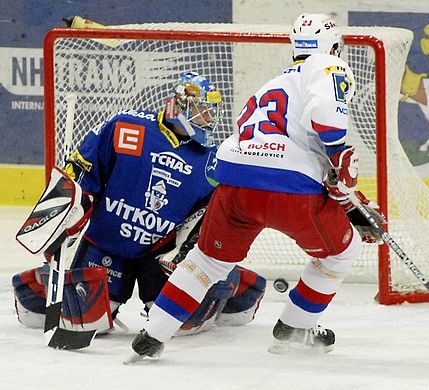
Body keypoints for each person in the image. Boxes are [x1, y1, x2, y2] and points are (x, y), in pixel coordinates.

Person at [126, 13, 386, 362]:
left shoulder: (272, 85)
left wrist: (354, 205)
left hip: (235, 181)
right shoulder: (327, 65)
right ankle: (294, 328)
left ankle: (153, 335)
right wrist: (341, 157)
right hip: (289, 189)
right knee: (342, 251)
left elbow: (309, 159)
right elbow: (324, 125)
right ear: (335, 46)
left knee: (206, 263)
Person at [13, 71, 266, 336]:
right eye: (202, 109)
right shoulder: (127, 126)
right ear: (179, 104)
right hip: (106, 243)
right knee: (87, 320)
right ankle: (42, 281)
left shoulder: (210, 161)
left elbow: (213, 216)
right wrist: (62, 222)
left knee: (180, 324)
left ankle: (237, 281)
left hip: (160, 254)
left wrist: (196, 256)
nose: (209, 118)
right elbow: (81, 173)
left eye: (211, 110)